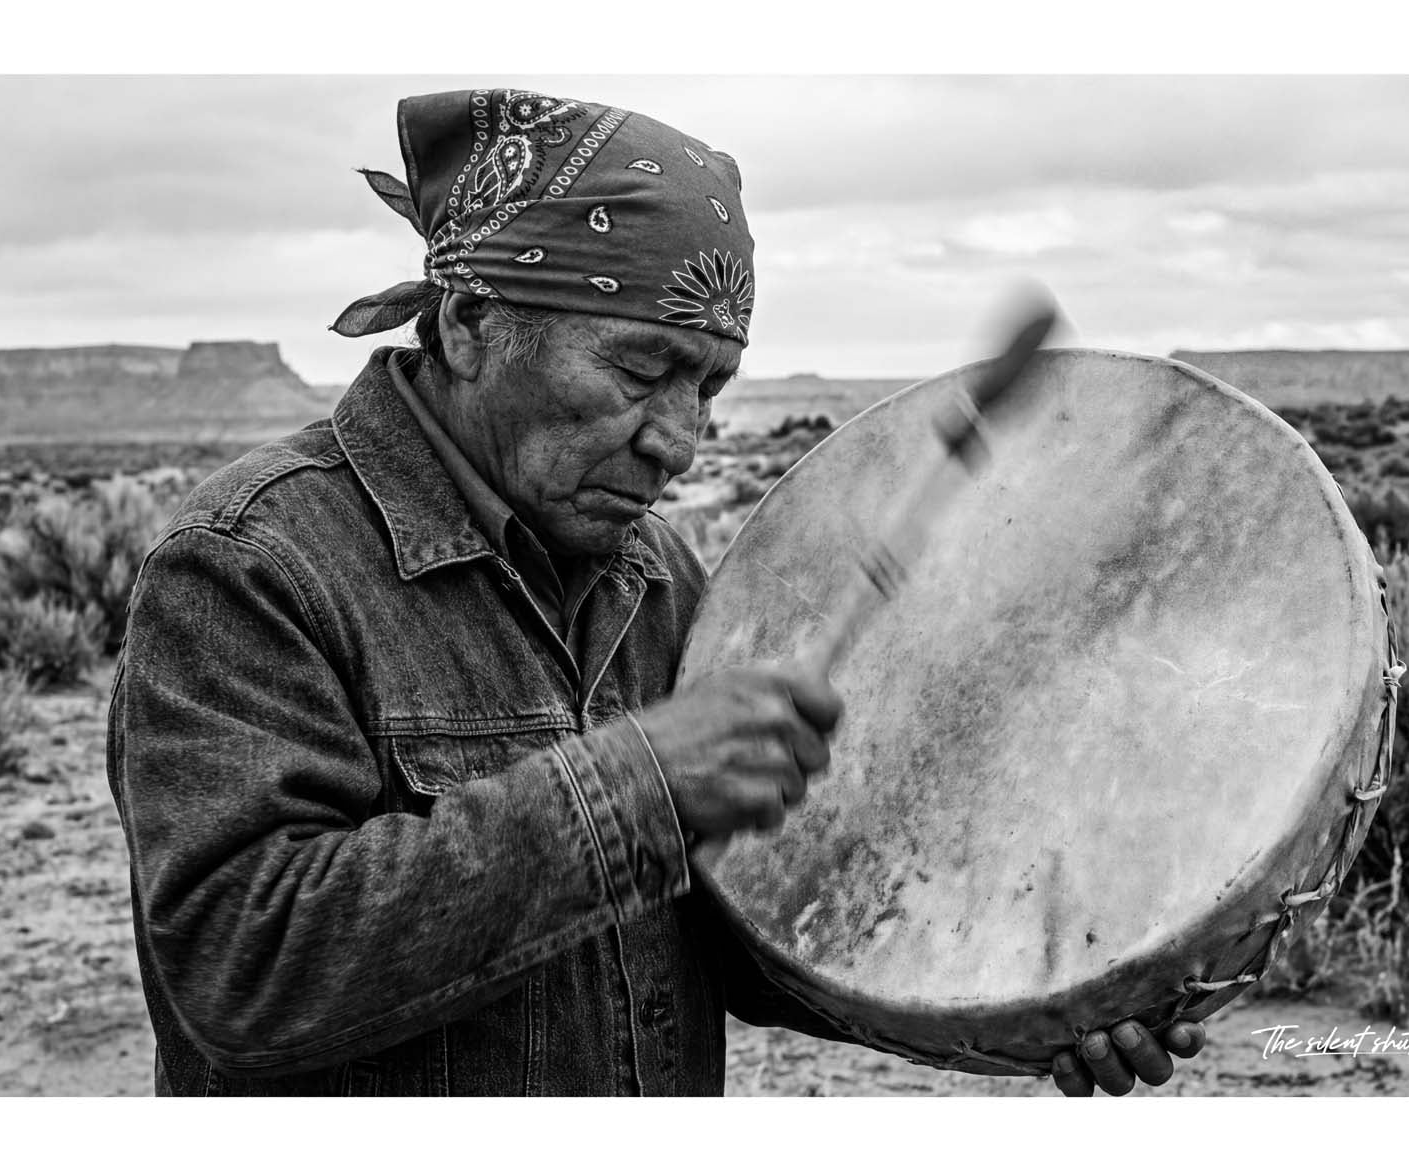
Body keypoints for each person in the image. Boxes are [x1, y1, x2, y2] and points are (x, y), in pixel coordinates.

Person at [107, 86, 1205, 1097]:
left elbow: (734, 933)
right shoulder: (251, 565)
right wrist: (640, 790)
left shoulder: (657, 575)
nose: (676, 441)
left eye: (707, 386)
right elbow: (239, 968)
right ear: (469, 324)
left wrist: (1019, 1004)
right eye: (638, 372)